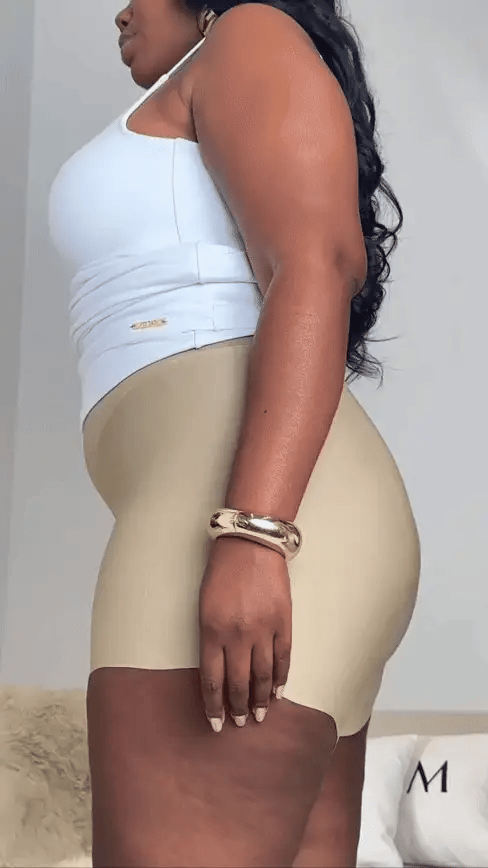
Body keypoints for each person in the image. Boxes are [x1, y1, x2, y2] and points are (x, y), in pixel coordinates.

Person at [48, 1, 421, 865]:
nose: (120, 10)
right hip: (292, 516)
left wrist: (255, 534)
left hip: (259, 516)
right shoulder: (208, 74)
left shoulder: (247, 30)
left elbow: (317, 261)